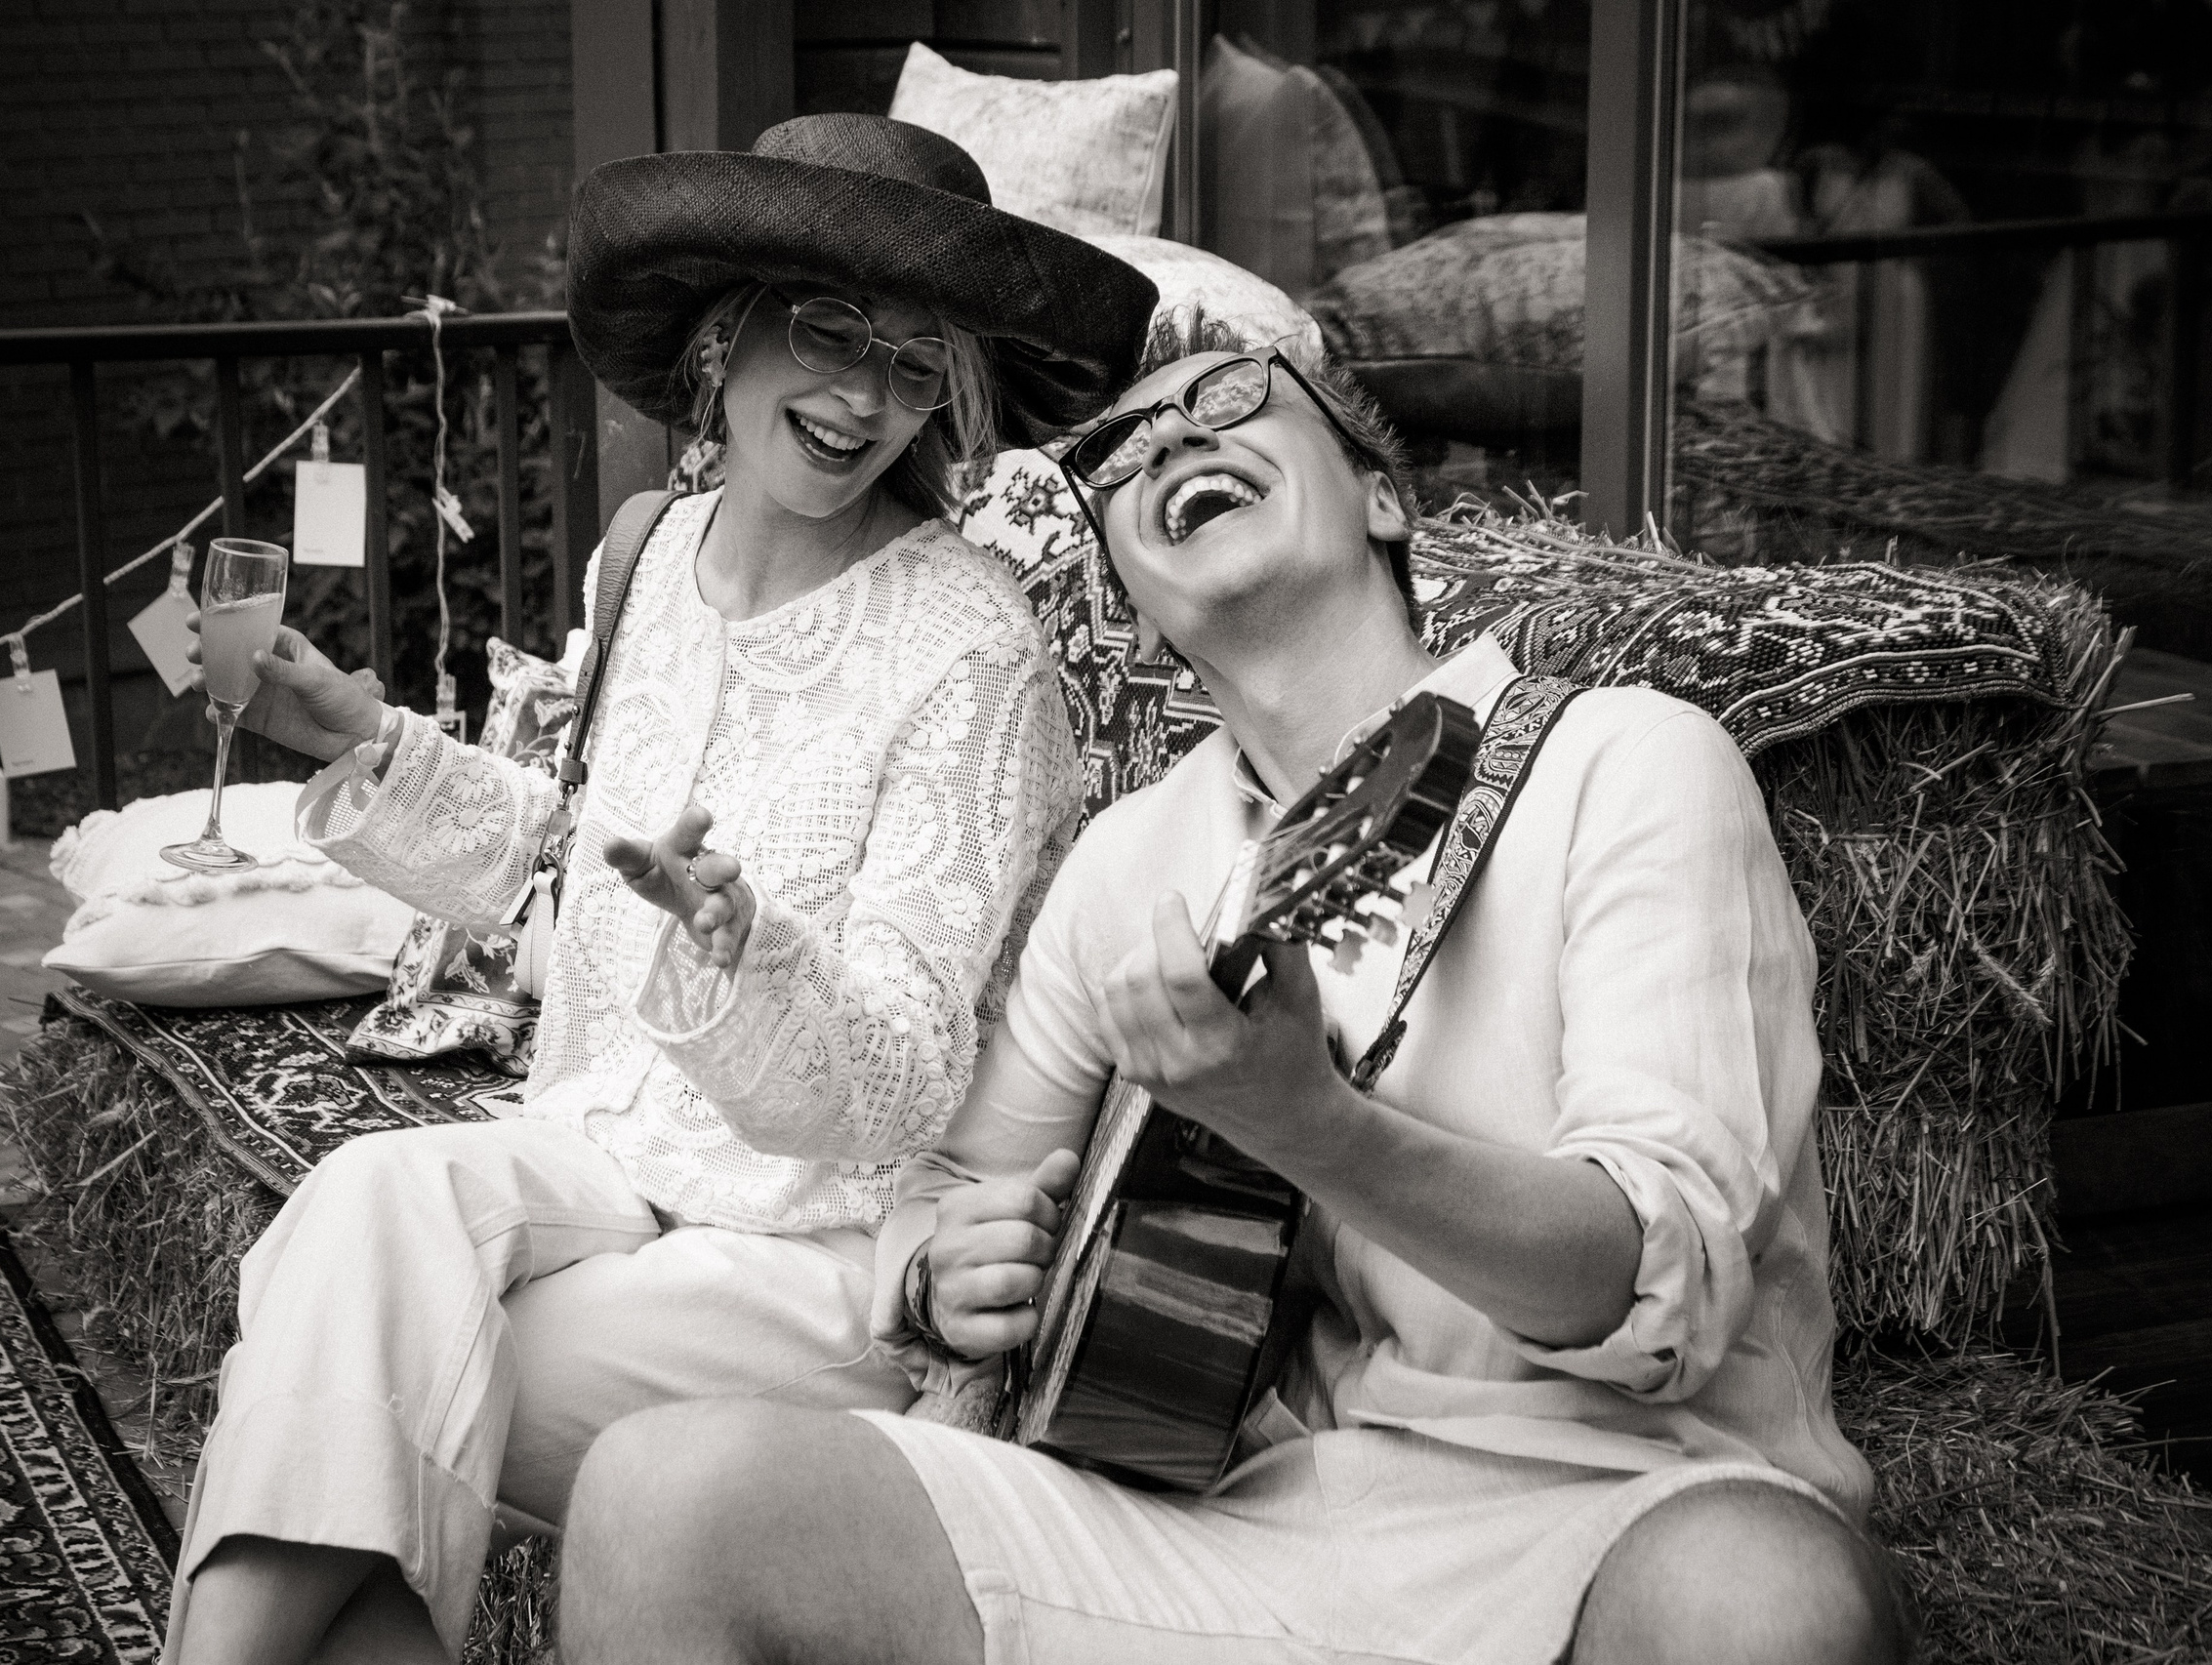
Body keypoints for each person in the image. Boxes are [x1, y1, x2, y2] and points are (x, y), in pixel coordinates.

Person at [554, 323, 1914, 1665]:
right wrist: (942, 1275)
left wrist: (1314, 1125)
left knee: (1763, 1605)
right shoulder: (1132, 862)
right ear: (1136, 601)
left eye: (1231, 398)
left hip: (1617, 1503)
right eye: (1125, 451)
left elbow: (1660, 1295)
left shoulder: (1625, 764)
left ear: (1382, 499)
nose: (1171, 441)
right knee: (660, 1493)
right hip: (1247, 1520)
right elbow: (951, 1186)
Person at [161, 115, 1156, 1665]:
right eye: (830, 330)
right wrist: (364, 738)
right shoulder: (646, 557)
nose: (863, 398)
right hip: (597, 1156)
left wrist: (746, 960)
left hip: (816, 1249)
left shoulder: (972, 648)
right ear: (724, 330)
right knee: (362, 1211)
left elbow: (904, 1079)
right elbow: (570, 859)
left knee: (348, 1366)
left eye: (914, 365)